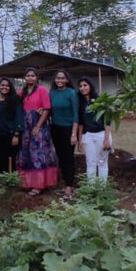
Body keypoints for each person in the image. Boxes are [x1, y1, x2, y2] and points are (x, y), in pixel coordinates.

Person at [16, 67, 57, 195]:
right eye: (28, 76)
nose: (30, 78)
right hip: (25, 128)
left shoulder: (42, 90)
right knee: (25, 154)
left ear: (36, 77)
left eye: (32, 76)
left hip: (39, 127)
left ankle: (39, 185)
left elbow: (46, 109)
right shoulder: (20, 92)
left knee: (38, 154)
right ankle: (27, 183)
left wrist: (38, 126)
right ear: (25, 77)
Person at [50, 70, 80, 199]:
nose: (60, 80)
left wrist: (74, 134)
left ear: (67, 80)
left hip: (68, 129)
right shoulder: (52, 93)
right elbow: (49, 110)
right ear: (55, 80)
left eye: (62, 78)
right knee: (60, 158)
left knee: (68, 158)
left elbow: (76, 115)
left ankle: (69, 187)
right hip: (55, 129)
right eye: (58, 78)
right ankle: (67, 184)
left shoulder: (71, 93)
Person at [78, 77, 112, 182]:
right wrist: (80, 140)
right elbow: (81, 123)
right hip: (87, 135)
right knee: (90, 162)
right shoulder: (81, 103)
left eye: (85, 85)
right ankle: (91, 188)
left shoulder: (100, 101)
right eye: (80, 86)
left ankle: (102, 189)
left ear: (90, 86)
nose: (82, 88)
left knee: (102, 162)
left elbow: (107, 121)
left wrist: (106, 140)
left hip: (101, 134)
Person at [0, 77, 24, 175]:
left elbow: (19, 117)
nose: (5, 87)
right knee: (0, 159)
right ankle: (4, 180)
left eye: (7, 85)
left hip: (11, 135)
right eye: (2, 85)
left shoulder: (15, 100)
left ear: (10, 87)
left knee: (12, 159)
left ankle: (12, 181)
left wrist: (16, 135)